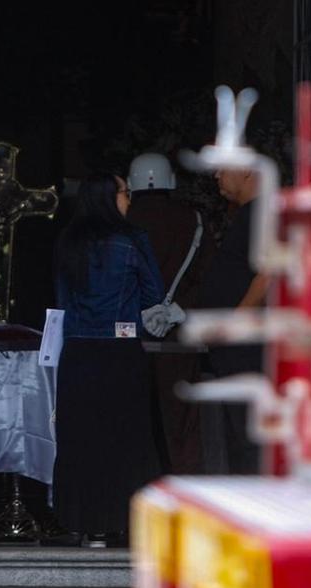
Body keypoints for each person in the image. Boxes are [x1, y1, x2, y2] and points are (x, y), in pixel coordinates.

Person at [52, 172, 165, 547]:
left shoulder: (69, 241)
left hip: (78, 350)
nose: (129, 199)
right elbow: (153, 294)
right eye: (125, 192)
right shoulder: (133, 240)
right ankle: (127, 522)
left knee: (81, 437)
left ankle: (84, 522)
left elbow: (63, 298)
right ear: (108, 197)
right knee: (126, 438)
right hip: (120, 349)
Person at [125, 153, 207, 474]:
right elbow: (206, 279)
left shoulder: (124, 221)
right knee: (182, 424)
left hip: (130, 337)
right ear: (170, 181)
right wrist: (179, 310)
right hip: (180, 339)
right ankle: (186, 494)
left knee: (134, 421)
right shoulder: (194, 220)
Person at [199, 166, 269, 475]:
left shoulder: (260, 213)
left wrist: (237, 320)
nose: (216, 177)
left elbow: (269, 273)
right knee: (239, 435)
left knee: (249, 436)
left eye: (222, 170)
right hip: (237, 349)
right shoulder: (247, 214)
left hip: (246, 347)